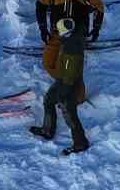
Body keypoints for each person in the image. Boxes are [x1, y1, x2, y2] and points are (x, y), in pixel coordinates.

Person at [30, 16, 92, 154]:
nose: (57, 33)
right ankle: (47, 130)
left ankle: (80, 143)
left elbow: (69, 73)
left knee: (69, 113)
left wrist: (64, 91)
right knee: (48, 100)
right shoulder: (68, 40)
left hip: (68, 84)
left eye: (59, 31)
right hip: (61, 80)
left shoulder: (71, 46)